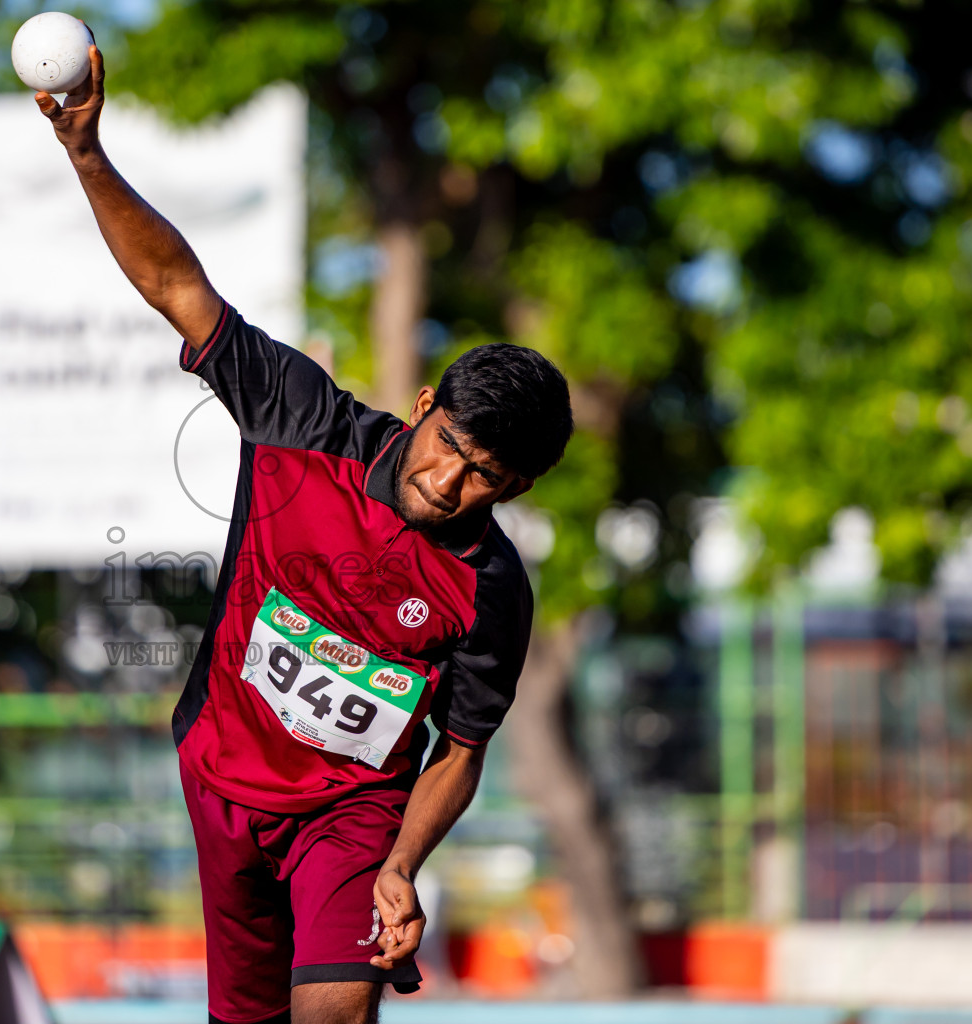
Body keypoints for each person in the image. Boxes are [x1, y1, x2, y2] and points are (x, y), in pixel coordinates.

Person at [36, 42, 573, 1024]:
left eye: (484, 476)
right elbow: (176, 287)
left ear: (519, 484)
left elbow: (458, 749)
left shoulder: (493, 587)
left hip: (352, 811)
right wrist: (86, 154)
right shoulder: (301, 420)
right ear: (422, 406)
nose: (446, 480)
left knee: (331, 1011)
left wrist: (403, 864)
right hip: (223, 774)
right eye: (446, 444)